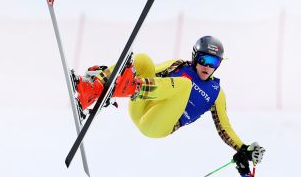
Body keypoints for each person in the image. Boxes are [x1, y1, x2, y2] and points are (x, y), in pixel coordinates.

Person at [72, 35, 265, 161]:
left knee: (185, 85)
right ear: (195, 57)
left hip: (157, 125)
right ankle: (93, 89)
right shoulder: (178, 65)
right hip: (141, 107)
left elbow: (225, 128)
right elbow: (151, 72)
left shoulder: (216, 93)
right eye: (203, 59)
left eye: (213, 62)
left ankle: (131, 88)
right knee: (143, 60)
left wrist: (244, 148)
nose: (207, 66)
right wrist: (122, 74)